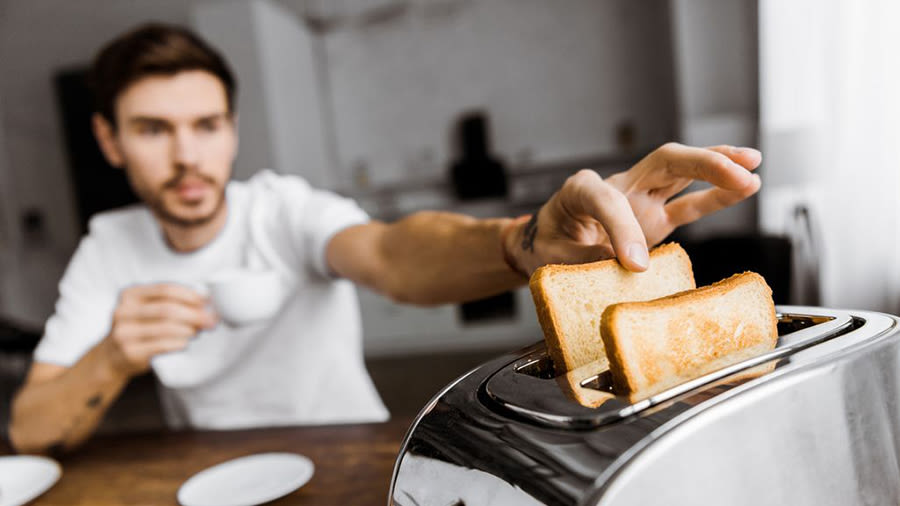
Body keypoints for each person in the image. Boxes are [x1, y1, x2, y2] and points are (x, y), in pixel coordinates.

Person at [7, 23, 762, 454]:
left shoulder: (281, 211)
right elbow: (30, 430)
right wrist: (111, 355)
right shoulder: (109, 246)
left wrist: (527, 239)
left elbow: (393, 257)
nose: (187, 157)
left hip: (352, 450)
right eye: (152, 130)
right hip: (207, 471)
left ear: (232, 128)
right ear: (109, 141)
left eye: (206, 125)